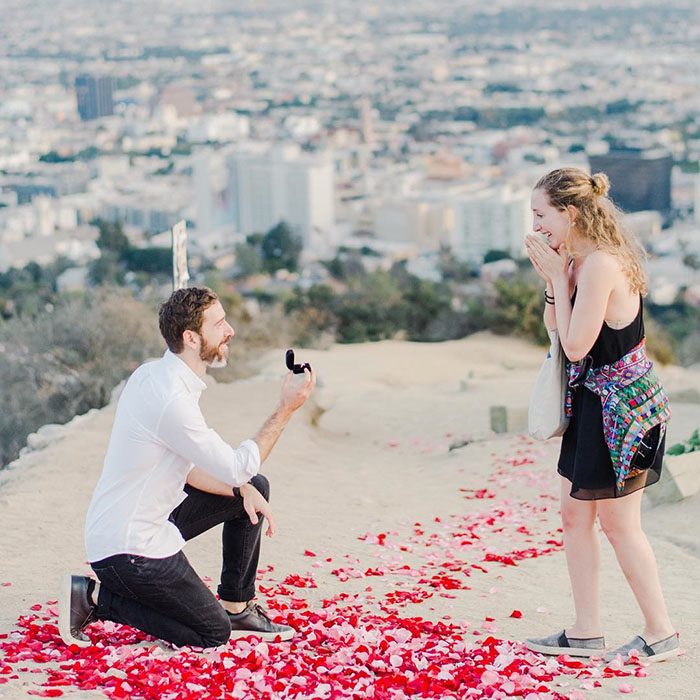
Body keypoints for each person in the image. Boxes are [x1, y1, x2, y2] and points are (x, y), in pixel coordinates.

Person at [58, 286, 315, 649]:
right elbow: (236, 467)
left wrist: (243, 489)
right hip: (129, 549)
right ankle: (96, 599)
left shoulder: (155, 374)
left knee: (253, 487)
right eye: (220, 323)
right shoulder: (172, 399)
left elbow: (196, 470)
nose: (231, 331)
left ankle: (237, 606)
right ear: (191, 338)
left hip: (140, 522)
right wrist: (286, 409)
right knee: (211, 633)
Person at [523, 168, 678, 662]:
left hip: (624, 412)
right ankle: (586, 631)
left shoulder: (601, 266)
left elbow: (573, 344)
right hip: (595, 404)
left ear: (569, 212)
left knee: (619, 525)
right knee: (574, 515)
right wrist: (555, 281)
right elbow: (553, 324)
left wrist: (557, 277)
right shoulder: (577, 259)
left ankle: (662, 633)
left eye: (541, 214)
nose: (536, 224)